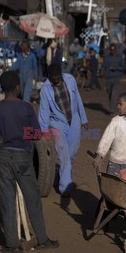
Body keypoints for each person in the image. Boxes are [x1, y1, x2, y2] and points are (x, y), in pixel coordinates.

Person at [0, 71, 59, 253]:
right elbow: (36, 134)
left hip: (3, 156)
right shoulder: (26, 107)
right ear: (17, 87)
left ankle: (12, 244)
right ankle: (42, 240)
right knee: (32, 199)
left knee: (7, 200)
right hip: (22, 157)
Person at [38, 64, 88, 196]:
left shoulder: (70, 79)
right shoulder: (45, 89)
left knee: (72, 152)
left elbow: (77, 98)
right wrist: (43, 130)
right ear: (49, 76)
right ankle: (65, 187)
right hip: (57, 123)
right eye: (52, 77)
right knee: (63, 154)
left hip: (75, 119)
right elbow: (43, 111)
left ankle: (63, 174)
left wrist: (83, 119)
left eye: (57, 76)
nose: (55, 79)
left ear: (61, 73)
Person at [101, 43, 125, 114]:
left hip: (116, 77)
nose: (112, 51)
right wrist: (102, 71)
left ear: (116, 50)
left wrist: (117, 68)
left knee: (114, 94)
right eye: (111, 50)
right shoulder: (106, 57)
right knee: (110, 94)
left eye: (114, 50)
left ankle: (112, 110)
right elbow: (103, 66)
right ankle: (114, 105)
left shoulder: (120, 57)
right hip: (108, 78)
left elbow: (123, 67)